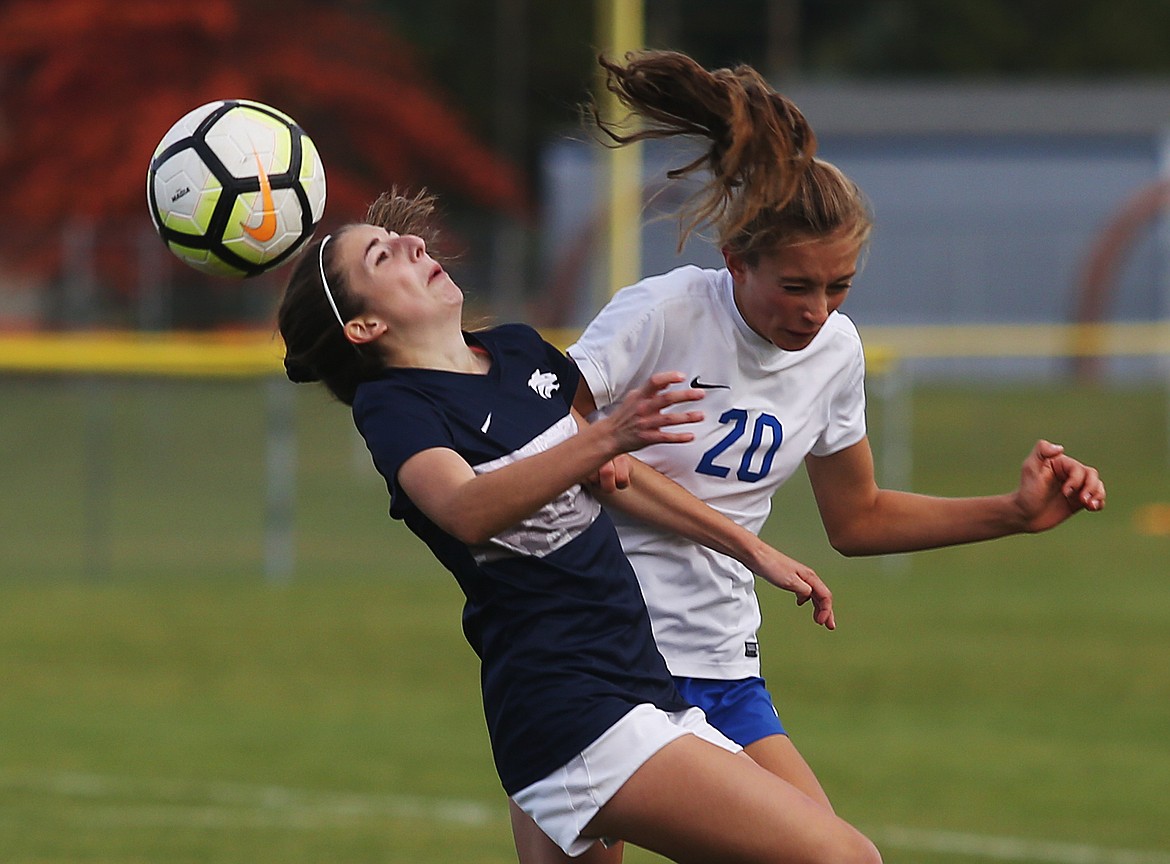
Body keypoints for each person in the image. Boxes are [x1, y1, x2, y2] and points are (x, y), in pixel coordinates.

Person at [557, 48, 1107, 849]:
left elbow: (859, 519)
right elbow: (558, 441)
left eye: (838, 286)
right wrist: (745, 542)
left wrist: (1014, 512)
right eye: (796, 286)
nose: (818, 310)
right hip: (601, 655)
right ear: (737, 260)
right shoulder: (662, 314)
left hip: (720, 664)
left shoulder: (836, 352)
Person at [276, 189, 883, 864]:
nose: (415, 245)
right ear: (362, 329)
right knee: (843, 858)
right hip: (569, 704)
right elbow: (465, 510)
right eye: (383, 256)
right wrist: (604, 436)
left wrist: (751, 549)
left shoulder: (517, 354)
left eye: (404, 240)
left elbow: (613, 476)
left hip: (633, 683)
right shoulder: (395, 404)